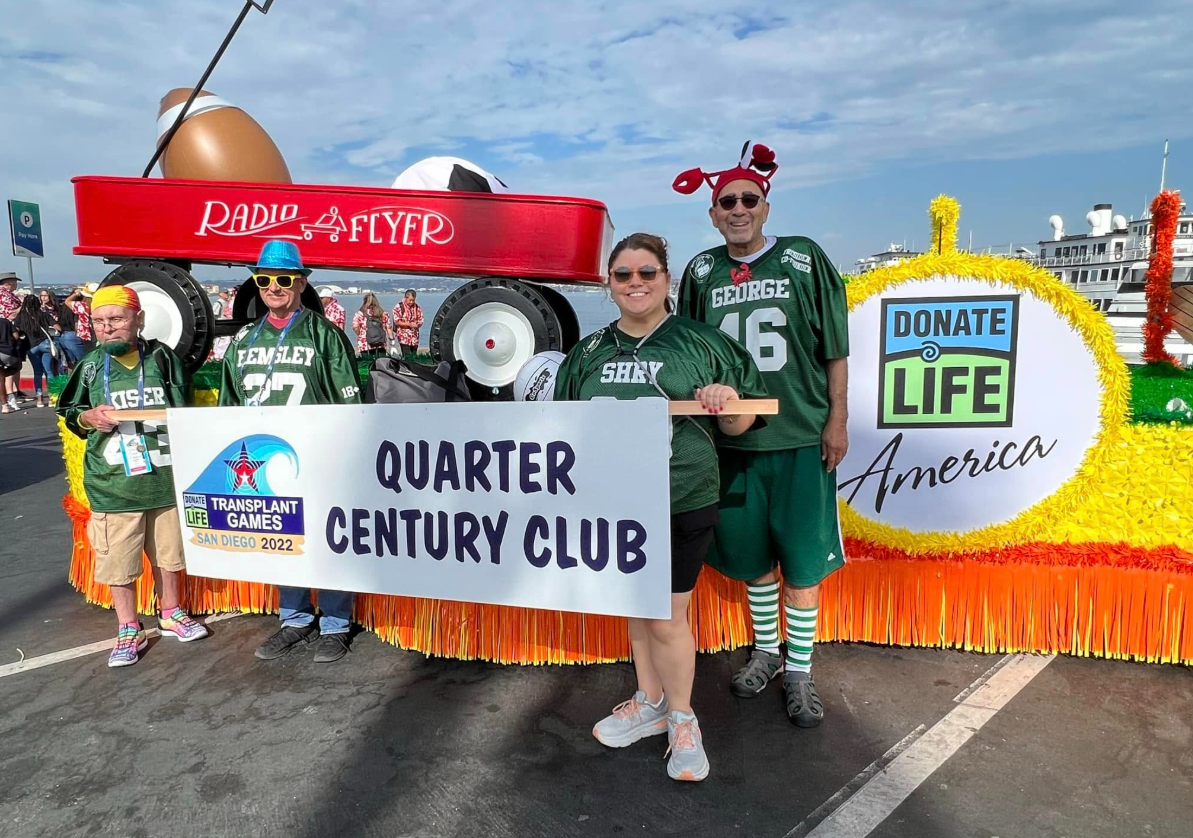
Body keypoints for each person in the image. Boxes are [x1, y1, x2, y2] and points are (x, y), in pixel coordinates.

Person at [554, 233, 767, 782]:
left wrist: (725, 401)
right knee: (637, 608)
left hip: (681, 497)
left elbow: (742, 423)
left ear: (666, 279)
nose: (635, 283)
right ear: (609, 284)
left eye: (646, 273)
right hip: (615, 505)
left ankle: (682, 717)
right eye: (623, 275)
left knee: (669, 615)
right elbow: (562, 428)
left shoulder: (700, 343)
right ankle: (649, 703)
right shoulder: (589, 351)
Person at [675, 142, 850, 728]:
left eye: (749, 198)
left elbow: (835, 349)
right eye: (728, 202)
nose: (739, 209)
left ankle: (799, 670)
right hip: (733, 445)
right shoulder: (701, 270)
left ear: (766, 205)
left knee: (801, 565)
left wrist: (837, 419)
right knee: (752, 562)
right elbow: (692, 355)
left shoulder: (803, 258)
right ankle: (768, 653)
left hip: (800, 435)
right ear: (713, 213)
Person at [219, 240, 362, 663]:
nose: (274, 287)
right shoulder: (244, 338)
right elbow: (229, 406)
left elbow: (348, 403)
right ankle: (295, 619)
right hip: (264, 464)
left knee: (328, 539)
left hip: (317, 459)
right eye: (264, 280)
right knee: (282, 540)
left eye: (283, 279)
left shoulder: (325, 334)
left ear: (300, 283)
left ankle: (336, 623)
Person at [56, 285, 209, 667]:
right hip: (114, 483)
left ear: (138, 319)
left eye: (117, 319)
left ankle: (171, 612)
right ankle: (128, 627)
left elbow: (184, 407)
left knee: (169, 555)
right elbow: (70, 410)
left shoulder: (162, 358)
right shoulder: (90, 365)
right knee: (118, 561)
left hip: (163, 477)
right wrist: (87, 417)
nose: (107, 328)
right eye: (99, 321)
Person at [13, 295, 59, 407]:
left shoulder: (21, 317)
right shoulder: (43, 315)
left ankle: (39, 399)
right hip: (45, 344)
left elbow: (16, 331)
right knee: (48, 371)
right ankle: (52, 398)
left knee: (37, 372)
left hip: (31, 346)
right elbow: (58, 327)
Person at [40, 289, 85, 367]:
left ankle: (69, 378)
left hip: (63, 335)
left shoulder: (63, 306)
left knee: (70, 363)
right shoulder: (78, 307)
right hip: (72, 334)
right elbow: (76, 323)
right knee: (84, 361)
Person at [351, 293, 391, 359]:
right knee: (381, 363)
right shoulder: (383, 313)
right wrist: (392, 340)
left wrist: (359, 334)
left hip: (365, 344)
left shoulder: (360, 314)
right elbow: (388, 327)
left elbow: (355, 327)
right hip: (380, 343)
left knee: (367, 364)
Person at [392, 289, 424, 359]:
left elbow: (421, 319)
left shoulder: (417, 307)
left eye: (413, 300)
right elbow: (397, 321)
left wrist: (417, 325)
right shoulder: (399, 307)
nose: (411, 302)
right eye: (410, 300)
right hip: (404, 337)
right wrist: (409, 324)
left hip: (414, 337)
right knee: (406, 356)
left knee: (413, 356)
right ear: (406, 298)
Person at [65, 284, 97, 349]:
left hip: (85, 333)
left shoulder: (82, 306)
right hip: (97, 331)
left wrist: (76, 293)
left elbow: (67, 301)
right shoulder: (98, 305)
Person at [0, 316, 21, 413]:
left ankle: (5, 406)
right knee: (10, 372)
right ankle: (12, 396)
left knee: (1, 380)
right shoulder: (6, 322)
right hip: (10, 353)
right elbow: (16, 336)